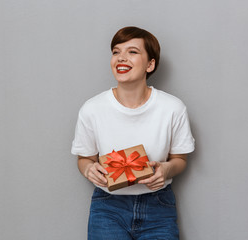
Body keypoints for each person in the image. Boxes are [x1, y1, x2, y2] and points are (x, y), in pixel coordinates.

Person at [71, 26, 195, 240]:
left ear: (150, 64)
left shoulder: (173, 108)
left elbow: (180, 159)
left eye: (132, 52)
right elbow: (84, 158)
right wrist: (88, 169)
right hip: (108, 207)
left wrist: (166, 170)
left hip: (159, 206)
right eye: (116, 52)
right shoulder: (92, 109)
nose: (121, 58)